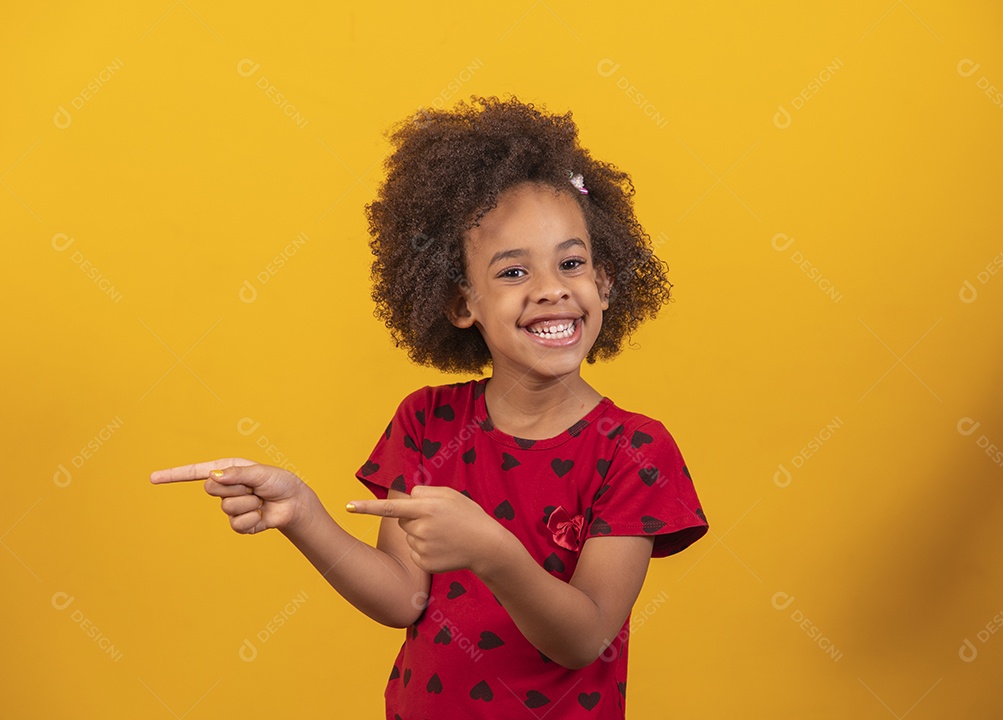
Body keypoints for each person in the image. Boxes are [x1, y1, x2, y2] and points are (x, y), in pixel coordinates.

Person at [151, 96, 708, 719]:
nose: (552, 288)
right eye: (512, 272)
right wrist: (303, 513)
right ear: (461, 303)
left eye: (571, 263)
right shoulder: (427, 422)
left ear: (603, 281)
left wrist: (491, 552)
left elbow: (585, 638)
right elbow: (402, 600)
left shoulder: (634, 450)